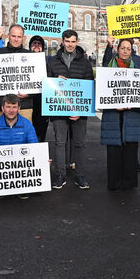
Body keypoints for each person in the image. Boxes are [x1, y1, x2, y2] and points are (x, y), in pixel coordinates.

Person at [46, 30, 94, 190]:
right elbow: (47, 84)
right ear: (62, 41)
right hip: (58, 110)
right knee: (60, 143)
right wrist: (55, 80)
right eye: (67, 41)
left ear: (77, 42)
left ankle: (80, 175)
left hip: (79, 112)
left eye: (73, 41)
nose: (70, 44)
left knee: (79, 144)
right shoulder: (53, 61)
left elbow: (89, 87)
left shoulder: (85, 62)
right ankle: (60, 175)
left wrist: (80, 111)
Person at [101, 38, 140, 191]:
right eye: (122, 48)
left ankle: (129, 182)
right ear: (117, 49)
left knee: (130, 150)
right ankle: (114, 183)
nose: (125, 51)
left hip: (132, 113)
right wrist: (115, 104)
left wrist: (134, 101)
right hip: (113, 114)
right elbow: (104, 87)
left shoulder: (138, 64)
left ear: (131, 51)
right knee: (113, 149)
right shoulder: (109, 64)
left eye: (128, 48)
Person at [0, 93, 40, 199]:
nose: (11, 110)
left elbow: (34, 146)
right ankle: (1, 187)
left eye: (14, 107)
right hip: (1, 164)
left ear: (19, 109)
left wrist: (42, 160)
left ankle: (22, 186)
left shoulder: (27, 124)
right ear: (2, 108)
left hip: (21, 163)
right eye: (8, 107)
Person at [0, 25, 34, 120]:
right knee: (2, 130)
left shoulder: (31, 56)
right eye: (13, 36)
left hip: (24, 106)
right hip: (2, 106)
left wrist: (29, 94)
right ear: (8, 36)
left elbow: (38, 83)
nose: (16, 39)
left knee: (23, 130)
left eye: (19, 37)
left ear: (23, 38)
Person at [28, 35, 49, 141]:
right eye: (34, 43)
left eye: (39, 43)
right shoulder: (23, 59)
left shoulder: (48, 62)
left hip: (41, 103)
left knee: (40, 132)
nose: (36, 45)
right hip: (26, 102)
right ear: (30, 46)